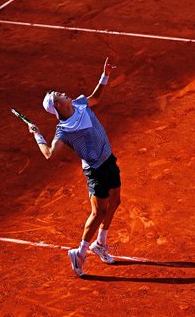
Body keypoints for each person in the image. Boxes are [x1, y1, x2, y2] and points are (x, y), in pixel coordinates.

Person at [28, 58, 121, 277]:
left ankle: (100, 244)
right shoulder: (64, 131)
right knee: (99, 212)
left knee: (116, 201)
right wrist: (37, 134)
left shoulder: (80, 103)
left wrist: (105, 74)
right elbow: (49, 153)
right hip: (95, 170)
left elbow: (96, 97)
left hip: (108, 159)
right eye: (59, 95)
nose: (64, 93)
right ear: (57, 105)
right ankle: (79, 254)